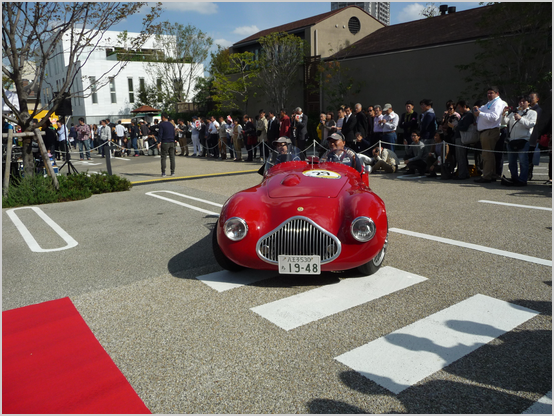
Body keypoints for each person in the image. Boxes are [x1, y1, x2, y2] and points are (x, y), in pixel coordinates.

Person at [500, 95, 537, 186]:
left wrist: (520, 118)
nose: (521, 103)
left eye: (524, 101)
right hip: (512, 140)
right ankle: (514, 178)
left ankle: (523, 180)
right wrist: (504, 114)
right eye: (520, 101)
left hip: (523, 140)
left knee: (523, 161)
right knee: (512, 162)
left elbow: (531, 124)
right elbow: (505, 122)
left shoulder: (532, 113)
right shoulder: (514, 112)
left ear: (528, 103)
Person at [473, 86, 504, 183]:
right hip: (485, 131)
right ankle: (491, 174)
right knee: (488, 154)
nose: (489, 95)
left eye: (491, 93)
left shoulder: (498, 103)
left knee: (487, 154)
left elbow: (494, 117)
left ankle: (487, 176)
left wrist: (480, 113)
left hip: (490, 131)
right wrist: (477, 111)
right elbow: (480, 111)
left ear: (497, 93)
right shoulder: (489, 103)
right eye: (488, 93)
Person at [453, 100, 475, 180]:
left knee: (461, 156)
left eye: (460, 107)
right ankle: (464, 173)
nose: (459, 109)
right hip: (460, 137)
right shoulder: (464, 115)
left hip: (462, 137)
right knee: (461, 156)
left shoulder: (468, 115)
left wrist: (455, 127)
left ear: (464, 106)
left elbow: (465, 127)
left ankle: (462, 174)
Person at [527, 92, 543, 181]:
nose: (530, 99)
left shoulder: (538, 109)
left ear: (537, 99)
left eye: (532, 98)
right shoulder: (527, 109)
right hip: (526, 135)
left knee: (530, 156)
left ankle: (529, 174)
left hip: (533, 135)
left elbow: (534, 121)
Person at [157, 113, 176, 177]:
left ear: (163, 117)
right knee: (172, 157)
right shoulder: (171, 125)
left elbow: (160, 134)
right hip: (172, 142)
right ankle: (172, 172)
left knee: (163, 157)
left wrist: (159, 142)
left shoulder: (162, 125)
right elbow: (174, 133)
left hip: (165, 141)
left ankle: (163, 172)